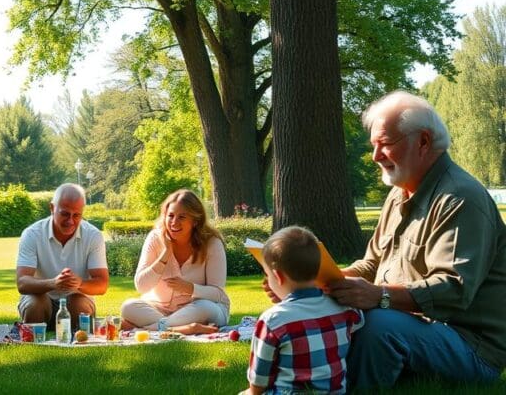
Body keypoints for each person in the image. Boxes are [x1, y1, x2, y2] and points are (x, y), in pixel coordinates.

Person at [328, 90, 506, 390]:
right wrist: (325, 281)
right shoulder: (399, 194)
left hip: (469, 346)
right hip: (419, 328)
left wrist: (379, 296)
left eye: (384, 144)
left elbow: (453, 289)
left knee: (379, 326)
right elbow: (372, 264)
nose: (375, 156)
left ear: (422, 141)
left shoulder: (459, 197)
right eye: (374, 146)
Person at [242, 226, 363, 394]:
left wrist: (251, 392)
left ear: (277, 276)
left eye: (267, 275)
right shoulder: (345, 310)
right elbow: (359, 321)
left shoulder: (273, 320)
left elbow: (259, 379)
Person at [120, 189, 229, 335]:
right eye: (170, 216)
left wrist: (190, 288)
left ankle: (146, 329)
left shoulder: (212, 243)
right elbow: (141, 286)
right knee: (128, 307)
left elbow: (218, 294)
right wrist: (165, 254)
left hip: (198, 308)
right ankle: (185, 328)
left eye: (182, 217)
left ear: (195, 221)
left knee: (205, 308)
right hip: (159, 308)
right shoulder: (155, 238)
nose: (174, 222)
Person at [16, 183, 108, 330]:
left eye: (76, 215)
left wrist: (78, 284)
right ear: (52, 208)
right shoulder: (32, 234)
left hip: (76, 299)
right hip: (42, 298)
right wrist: (53, 283)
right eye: (65, 214)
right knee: (34, 304)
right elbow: (22, 282)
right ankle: (33, 347)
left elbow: (102, 284)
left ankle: (79, 343)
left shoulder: (93, 235)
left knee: (79, 304)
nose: (70, 221)